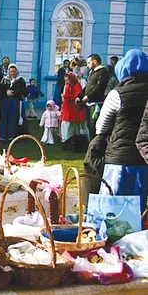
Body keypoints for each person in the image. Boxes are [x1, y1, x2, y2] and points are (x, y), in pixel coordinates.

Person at [95, 49, 148, 211]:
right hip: (143, 158)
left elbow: (100, 127)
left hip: (119, 159)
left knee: (112, 206)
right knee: (137, 208)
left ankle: (108, 235)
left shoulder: (117, 94)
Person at [79, 54, 110, 139]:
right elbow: (89, 86)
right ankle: (91, 145)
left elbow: (99, 87)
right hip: (89, 103)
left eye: (89, 63)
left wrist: (88, 96)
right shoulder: (92, 72)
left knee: (95, 125)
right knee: (89, 125)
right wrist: (80, 95)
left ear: (95, 61)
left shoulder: (103, 72)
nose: (87, 65)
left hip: (97, 103)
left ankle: (97, 145)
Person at [0, 64, 28, 141]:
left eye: (14, 71)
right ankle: (3, 136)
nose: (12, 73)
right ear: (8, 71)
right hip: (6, 102)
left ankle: (13, 136)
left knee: (14, 118)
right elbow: (1, 90)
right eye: (11, 71)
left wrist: (14, 92)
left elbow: (23, 91)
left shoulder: (20, 80)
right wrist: (6, 92)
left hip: (15, 101)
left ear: (16, 71)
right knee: (5, 118)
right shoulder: (4, 80)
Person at [60, 73, 88, 144]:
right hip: (67, 107)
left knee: (74, 124)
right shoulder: (67, 86)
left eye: (67, 80)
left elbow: (77, 96)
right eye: (65, 81)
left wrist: (66, 96)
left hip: (74, 108)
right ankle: (65, 138)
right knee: (66, 124)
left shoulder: (77, 85)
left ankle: (73, 138)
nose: (66, 82)